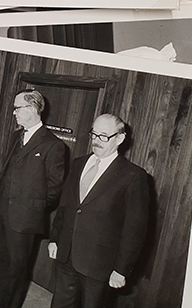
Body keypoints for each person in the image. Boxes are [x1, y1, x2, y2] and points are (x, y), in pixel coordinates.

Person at [48, 113, 150, 308]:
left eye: (104, 136)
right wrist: (55, 238)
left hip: (99, 264)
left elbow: (134, 229)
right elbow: (65, 205)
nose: (96, 141)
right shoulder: (78, 163)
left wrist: (121, 269)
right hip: (67, 253)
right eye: (94, 134)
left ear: (120, 138)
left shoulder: (133, 176)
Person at [0, 90, 66, 308]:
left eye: (17, 108)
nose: (14, 113)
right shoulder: (15, 136)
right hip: (2, 212)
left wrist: (29, 207)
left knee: (17, 269)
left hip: (24, 219)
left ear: (32, 109)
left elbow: (54, 190)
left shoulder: (54, 145)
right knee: (0, 263)